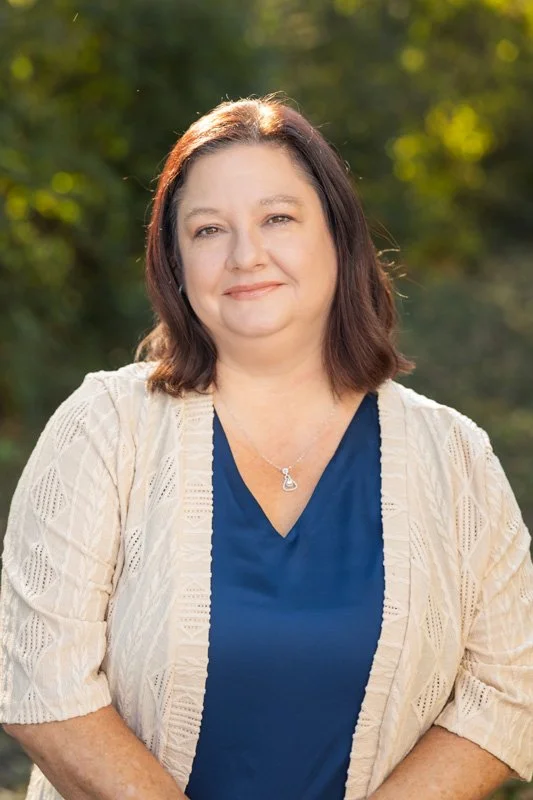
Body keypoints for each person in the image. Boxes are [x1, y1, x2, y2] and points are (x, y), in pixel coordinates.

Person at [0, 95, 532, 800]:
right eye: (208, 230)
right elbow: (43, 682)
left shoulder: (454, 457)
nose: (245, 255)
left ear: (337, 238)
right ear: (174, 264)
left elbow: (507, 688)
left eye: (277, 218)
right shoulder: (102, 428)